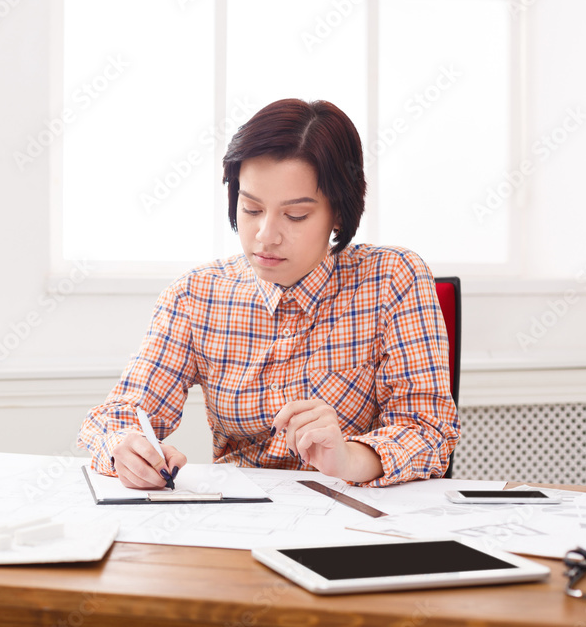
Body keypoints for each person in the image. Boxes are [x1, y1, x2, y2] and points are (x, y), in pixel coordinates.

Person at [77, 98, 459, 489]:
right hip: (241, 526)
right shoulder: (198, 295)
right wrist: (125, 446)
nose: (266, 236)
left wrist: (346, 458)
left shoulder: (392, 279)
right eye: (251, 208)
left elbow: (428, 432)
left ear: (339, 213)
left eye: (296, 216)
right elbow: (118, 414)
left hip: (356, 525)